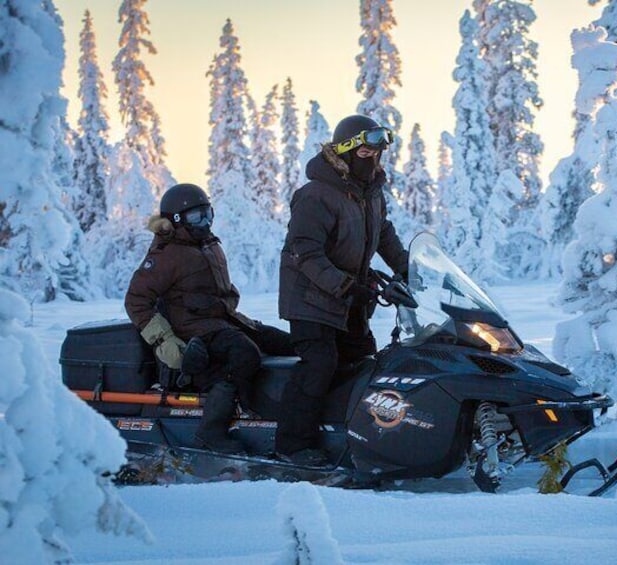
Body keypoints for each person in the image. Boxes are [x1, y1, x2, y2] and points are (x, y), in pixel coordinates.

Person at [275, 114, 408, 466]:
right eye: (367, 152)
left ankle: (348, 437)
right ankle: (292, 446)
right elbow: (304, 252)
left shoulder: (369, 194)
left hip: (348, 301)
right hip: (310, 300)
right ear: (346, 152)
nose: (374, 160)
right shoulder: (316, 195)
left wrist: (410, 267)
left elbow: (384, 235)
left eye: (379, 153)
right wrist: (345, 285)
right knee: (320, 364)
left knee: (364, 365)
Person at [125, 182, 293, 455]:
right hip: (193, 332)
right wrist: (165, 342)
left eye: (208, 214)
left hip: (224, 321)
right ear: (175, 221)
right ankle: (211, 431)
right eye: (196, 216)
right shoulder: (166, 255)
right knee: (244, 354)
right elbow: (136, 300)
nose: (205, 222)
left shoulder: (206, 244)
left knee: (287, 343)